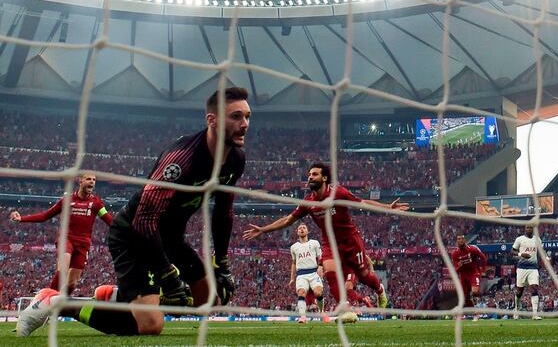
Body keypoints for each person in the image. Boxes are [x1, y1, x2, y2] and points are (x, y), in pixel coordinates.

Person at [16, 87, 250, 337]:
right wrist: (167, 274)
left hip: (169, 237)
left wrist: (222, 263)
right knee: (150, 326)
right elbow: (144, 220)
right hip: (136, 235)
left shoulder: (236, 159)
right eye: (236, 116)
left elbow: (223, 212)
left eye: (247, 116)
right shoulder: (181, 161)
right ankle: (57, 302)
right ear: (212, 120)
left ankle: (120, 296)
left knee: (208, 299)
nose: (244, 124)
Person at [244, 163, 408, 313]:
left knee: (364, 274)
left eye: (314, 174)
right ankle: (344, 309)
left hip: (350, 240)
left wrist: (388, 207)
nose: (310, 177)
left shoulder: (339, 192)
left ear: (324, 178)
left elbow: (362, 202)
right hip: (329, 242)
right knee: (329, 273)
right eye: (309, 174)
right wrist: (263, 229)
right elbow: (288, 220)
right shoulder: (308, 202)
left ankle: (380, 290)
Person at [11, 173, 113, 295]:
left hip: (83, 243)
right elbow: (45, 216)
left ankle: (59, 302)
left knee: (72, 283)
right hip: (67, 239)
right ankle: (46, 300)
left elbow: (110, 220)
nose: (92, 182)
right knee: (63, 269)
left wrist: (129, 230)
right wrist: (21, 218)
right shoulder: (67, 200)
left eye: (94, 180)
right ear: (80, 181)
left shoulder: (96, 203)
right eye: (88, 179)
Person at [290, 223, 324, 323]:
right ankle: (303, 317)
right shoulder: (294, 247)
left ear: (308, 231)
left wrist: (321, 268)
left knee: (318, 293)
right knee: (301, 293)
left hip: (313, 272)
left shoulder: (314, 243)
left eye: (304, 228)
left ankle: (321, 311)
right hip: (301, 274)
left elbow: (320, 257)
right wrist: (292, 278)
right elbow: (294, 263)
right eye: (300, 228)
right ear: (297, 232)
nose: (302, 229)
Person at [511, 225, 542, 320]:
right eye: (528, 227)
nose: (529, 229)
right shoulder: (519, 239)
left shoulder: (537, 240)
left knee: (535, 288)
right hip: (521, 268)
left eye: (531, 228)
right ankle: (516, 309)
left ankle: (535, 314)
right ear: (525, 229)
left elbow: (539, 253)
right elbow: (512, 251)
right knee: (519, 291)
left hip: (533, 268)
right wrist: (521, 254)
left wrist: (540, 263)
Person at [451, 234, 487, 317]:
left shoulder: (473, 249)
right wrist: (459, 266)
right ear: (456, 241)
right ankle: (475, 312)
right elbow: (456, 269)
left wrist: (482, 270)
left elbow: (483, 258)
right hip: (463, 276)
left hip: (473, 273)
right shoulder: (454, 254)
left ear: (465, 240)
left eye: (461, 239)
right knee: (464, 298)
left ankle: (478, 305)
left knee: (475, 291)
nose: (460, 240)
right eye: (458, 239)